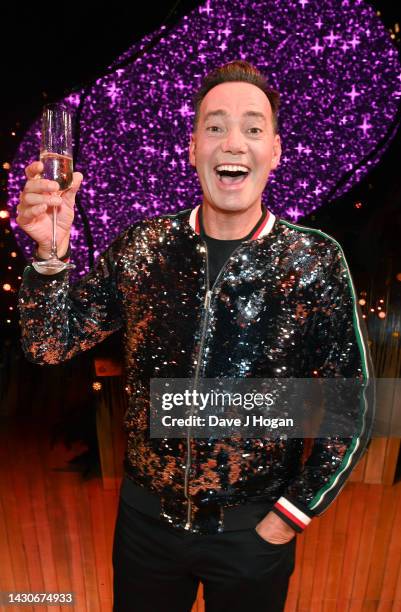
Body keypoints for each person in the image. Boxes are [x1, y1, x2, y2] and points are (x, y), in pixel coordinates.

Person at [17, 61, 374, 612]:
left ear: (275, 152)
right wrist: (48, 256)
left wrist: (287, 518)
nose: (233, 141)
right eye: (215, 126)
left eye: (253, 129)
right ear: (192, 148)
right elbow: (48, 344)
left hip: (253, 537)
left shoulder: (314, 261)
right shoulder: (144, 248)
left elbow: (350, 408)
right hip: (145, 532)